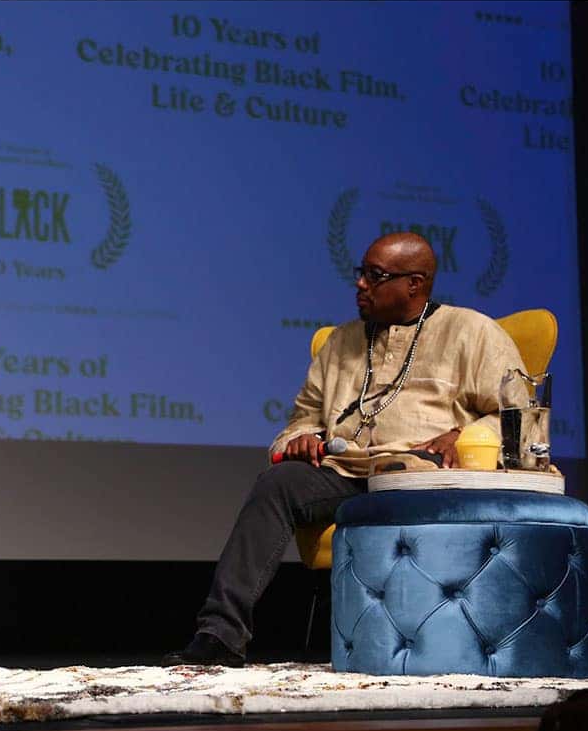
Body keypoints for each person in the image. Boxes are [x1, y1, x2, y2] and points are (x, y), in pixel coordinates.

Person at [164, 231, 528, 666]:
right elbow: (300, 420)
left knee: (410, 480)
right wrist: (300, 440)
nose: (360, 285)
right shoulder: (340, 342)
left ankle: (413, 647)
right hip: (348, 471)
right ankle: (220, 635)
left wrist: (462, 435)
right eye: (361, 274)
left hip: (420, 475)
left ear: (415, 283)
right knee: (277, 484)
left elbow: (518, 416)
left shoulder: (471, 332)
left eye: (375, 276)